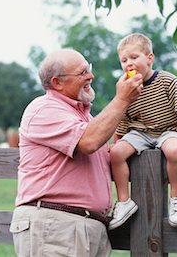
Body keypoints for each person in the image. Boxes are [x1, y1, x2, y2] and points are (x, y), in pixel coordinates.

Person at [9, 48, 143, 257]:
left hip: (80, 228)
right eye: (81, 73)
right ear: (57, 83)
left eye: (88, 69)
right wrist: (123, 99)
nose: (90, 76)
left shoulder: (84, 118)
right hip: (56, 227)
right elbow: (88, 142)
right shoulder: (44, 109)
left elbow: (100, 147)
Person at [109, 33, 177, 230]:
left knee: (173, 151)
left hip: (168, 129)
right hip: (140, 132)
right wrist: (118, 141)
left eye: (134, 57)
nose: (129, 64)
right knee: (115, 153)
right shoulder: (126, 88)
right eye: (124, 60)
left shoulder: (167, 81)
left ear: (150, 58)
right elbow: (122, 118)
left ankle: (176, 199)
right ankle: (124, 202)